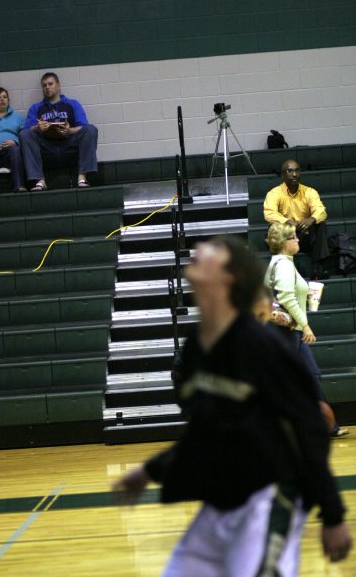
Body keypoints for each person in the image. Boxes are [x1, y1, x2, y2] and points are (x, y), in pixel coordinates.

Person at [113, 236, 352, 576]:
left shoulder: (266, 349)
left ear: (230, 277)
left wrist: (333, 516)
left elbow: (310, 431)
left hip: (270, 499)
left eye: (207, 256)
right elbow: (207, 429)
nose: (194, 261)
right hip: (221, 501)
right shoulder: (197, 348)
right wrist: (149, 472)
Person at [265, 222, 348, 438]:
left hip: (285, 330)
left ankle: (327, 425)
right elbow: (286, 298)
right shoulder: (283, 264)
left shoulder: (278, 263)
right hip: (287, 330)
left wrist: (306, 291)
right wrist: (306, 325)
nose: (298, 240)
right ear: (284, 242)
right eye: (293, 238)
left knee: (312, 375)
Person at [20, 72, 98, 191]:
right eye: (44, 85)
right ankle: (40, 181)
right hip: (46, 148)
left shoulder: (72, 104)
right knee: (24, 134)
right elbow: (27, 130)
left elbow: (83, 127)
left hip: (69, 145)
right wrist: (38, 128)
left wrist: (69, 131)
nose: (47, 87)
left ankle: (82, 178)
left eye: (50, 84)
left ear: (58, 85)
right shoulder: (36, 107)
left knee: (91, 129)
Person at [263, 159, 330, 278]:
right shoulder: (274, 193)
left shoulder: (309, 191)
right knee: (272, 230)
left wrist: (312, 219)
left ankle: (317, 267)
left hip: (305, 233)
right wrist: (287, 222)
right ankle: (283, 269)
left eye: (297, 171)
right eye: (290, 171)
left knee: (320, 224)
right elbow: (269, 213)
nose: (294, 174)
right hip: (287, 234)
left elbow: (321, 210)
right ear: (283, 175)